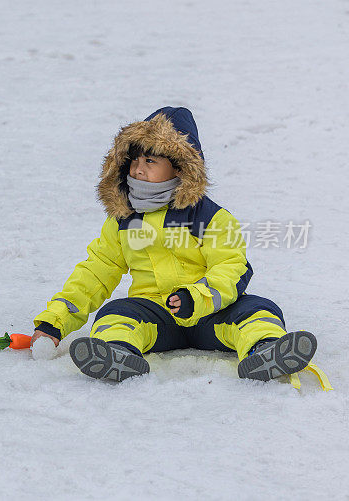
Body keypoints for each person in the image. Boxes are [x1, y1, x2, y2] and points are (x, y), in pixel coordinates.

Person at [32, 107, 317, 383]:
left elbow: (231, 266)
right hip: (155, 314)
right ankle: (117, 352)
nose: (138, 170)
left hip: (212, 314)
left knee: (259, 309)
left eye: (151, 162)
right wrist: (53, 323)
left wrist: (197, 297)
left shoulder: (209, 217)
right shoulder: (123, 220)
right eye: (134, 160)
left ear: (179, 168)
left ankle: (265, 350)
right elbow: (96, 271)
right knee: (115, 314)